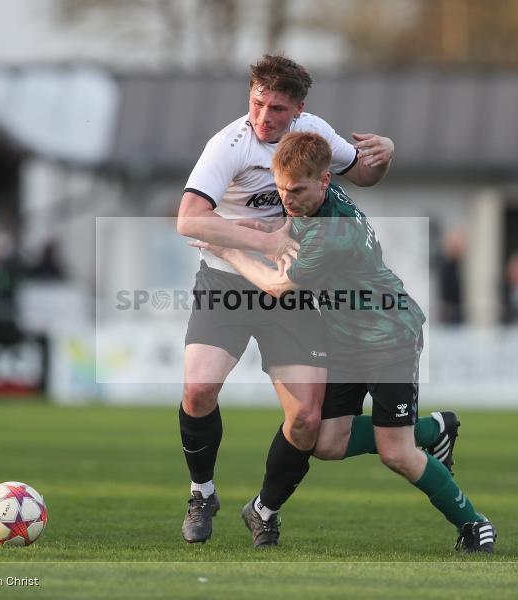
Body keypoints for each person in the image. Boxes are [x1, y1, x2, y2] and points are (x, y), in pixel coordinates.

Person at [174, 54, 455, 544]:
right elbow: (187, 220)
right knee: (198, 390)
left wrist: (386, 155)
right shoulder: (228, 145)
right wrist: (264, 241)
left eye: (278, 109)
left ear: (299, 109)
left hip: (292, 289)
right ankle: (202, 492)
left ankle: (267, 510)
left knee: (308, 421)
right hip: (226, 280)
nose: (264, 119)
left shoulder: (315, 135)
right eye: (258, 104)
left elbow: (362, 175)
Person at [194, 132, 496, 553]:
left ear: (322, 180)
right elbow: (289, 225)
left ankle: (474, 523)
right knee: (324, 442)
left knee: (397, 453)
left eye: (296, 191)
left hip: (389, 337)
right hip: (345, 339)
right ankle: (434, 428)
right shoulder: (318, 194)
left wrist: (227, 252)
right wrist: (253, 226)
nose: (288, 199)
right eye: (281, 190)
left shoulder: (331, 234)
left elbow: (277, 285)